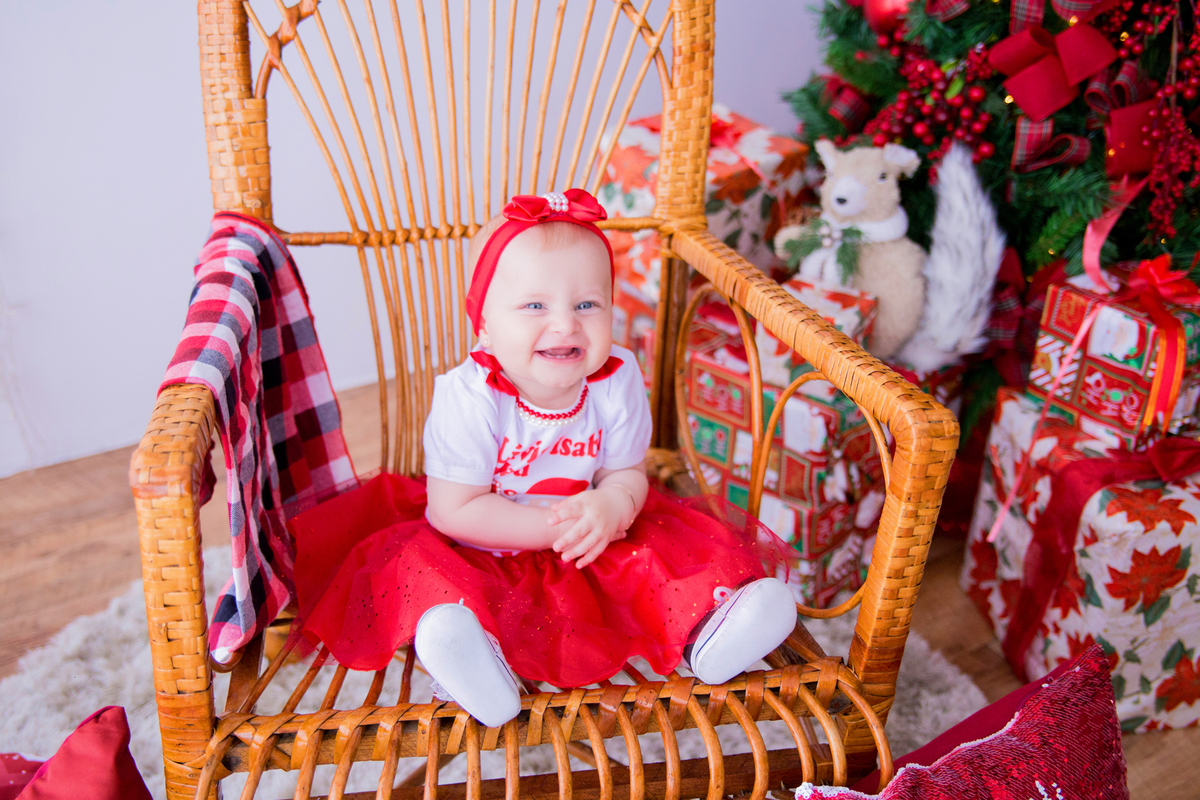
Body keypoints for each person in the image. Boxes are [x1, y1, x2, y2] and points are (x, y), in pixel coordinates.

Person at [291, 189, 798, 728]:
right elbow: (454, 511)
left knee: (659, 564)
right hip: (484, 547)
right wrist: (555, 529)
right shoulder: (471, 397)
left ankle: (711, 633)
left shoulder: (617, 377)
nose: (565, 324)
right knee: (432, 582)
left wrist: (613, 503)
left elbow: (626, 471)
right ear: (483, 324)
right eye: (535, 306)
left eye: (587, 304)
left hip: (594, 544)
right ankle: (472, 661)